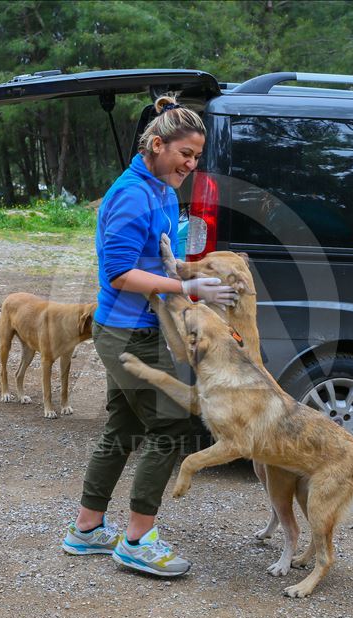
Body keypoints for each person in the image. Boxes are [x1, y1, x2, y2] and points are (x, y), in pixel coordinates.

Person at [62, 95, 237, 576]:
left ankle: (86, 529)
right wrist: (184, 287)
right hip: (126, 331)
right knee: (170, 426)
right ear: (157, 145)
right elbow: (119, 273)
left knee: (123, 427)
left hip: (139, 327)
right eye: (185, 154)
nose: (191, 164)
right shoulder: (132, 195)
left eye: (196, 156)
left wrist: (185, 273)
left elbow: (152, 258)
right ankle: (137, 539)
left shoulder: (161, 189)